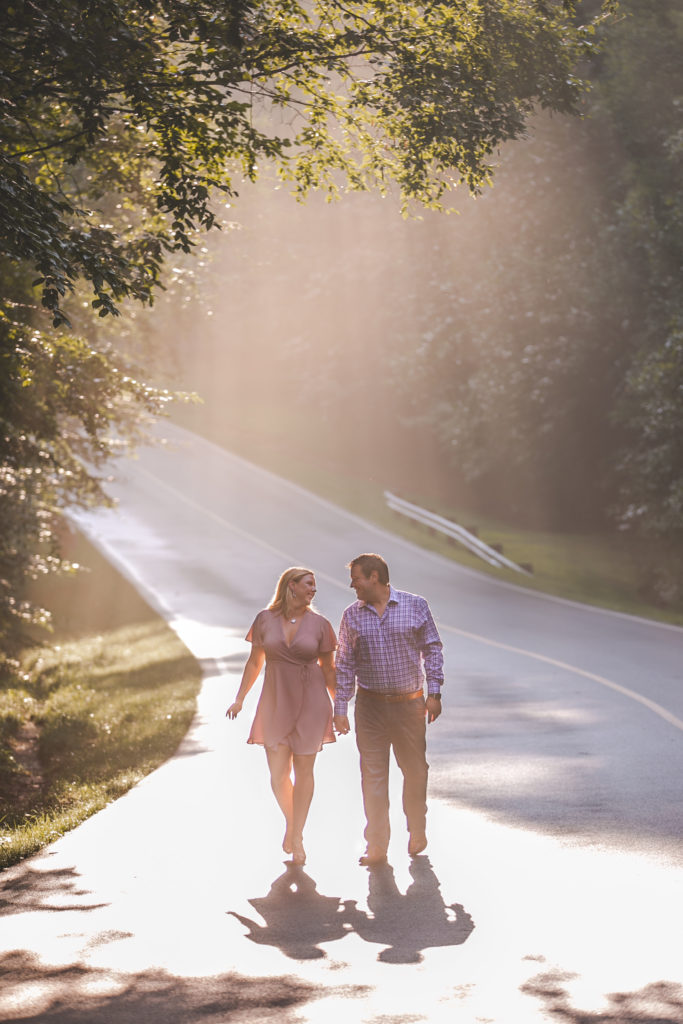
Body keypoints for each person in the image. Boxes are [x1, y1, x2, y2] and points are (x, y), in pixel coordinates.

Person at [333, 553, 443, 866]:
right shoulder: (352, 616)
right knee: (373, 775)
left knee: (415, 770)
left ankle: (417, 828)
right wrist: (341, 707)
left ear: (374, 578)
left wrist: (434, 692)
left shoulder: (415, 605)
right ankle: (377, 845)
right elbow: (344, 663)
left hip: (409, 705)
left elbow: (432, 649)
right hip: (370, 708)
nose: (352, 584)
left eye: (356, 578)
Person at [227, 567, 337, 866]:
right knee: (277, 776)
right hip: (275, 701)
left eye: (314, 585)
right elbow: (254, 662)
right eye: (309, 584)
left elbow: (329, 670)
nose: (314, 590)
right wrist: (239, 699)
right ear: (292, 586)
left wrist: (339, 708)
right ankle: (293, 823)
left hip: (311, 702)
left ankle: (297, 837)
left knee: (304, 771)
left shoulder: (321, 625)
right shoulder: (265, 620)